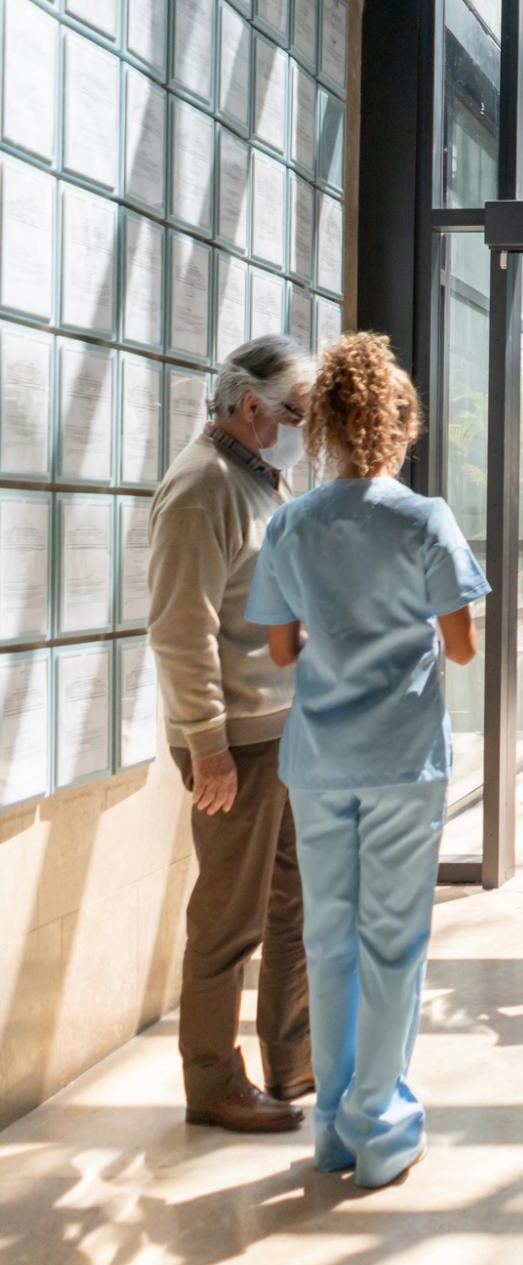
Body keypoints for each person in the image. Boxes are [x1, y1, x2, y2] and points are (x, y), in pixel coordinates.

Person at [246, 332, 490, 1188]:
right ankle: (380, 1127)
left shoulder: (291, 521)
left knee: (329, 939)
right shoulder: (425, 520)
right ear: (398, 421)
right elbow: (460, 649)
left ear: (323, 426)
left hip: (318, 759)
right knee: (392, 943)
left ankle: (333, 1132)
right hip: (401, 759)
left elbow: (280, 651)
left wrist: (336, 629)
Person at [148, 334, 319, 1133]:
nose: (304, 430)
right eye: (297, 413)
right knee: (229, 917)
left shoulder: (257, 480)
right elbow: (181, 629)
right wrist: (207, 744)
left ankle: (292, 1061)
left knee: (291, 902)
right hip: (237, 746)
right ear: (252, 408)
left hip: (278, 732)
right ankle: (212, 1081)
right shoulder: (201, 487)